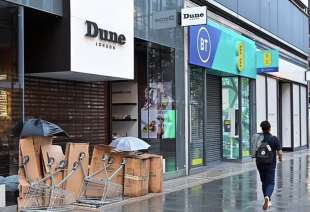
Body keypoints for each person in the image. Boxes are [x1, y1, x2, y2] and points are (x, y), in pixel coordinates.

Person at [252, 121, 282, 210]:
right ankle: (267, 197)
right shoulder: (274, 139)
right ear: (270, 128)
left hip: (259, 163)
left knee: (264, 182)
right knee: (271, 182)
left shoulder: (258, 138)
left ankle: (268, 199)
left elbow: (254, 149)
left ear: (262, 128)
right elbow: (280, 152)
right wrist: (280, 158)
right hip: (270, 164)